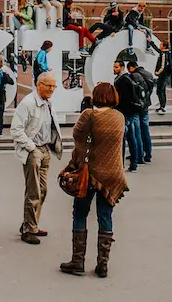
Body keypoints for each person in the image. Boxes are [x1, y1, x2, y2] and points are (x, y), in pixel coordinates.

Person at [59, 82, 128, 278]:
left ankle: (77, 261)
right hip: (113, 173)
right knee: (105, 216)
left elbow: (76, 135)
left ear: (95, 96)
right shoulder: (119, 117)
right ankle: (102, 264)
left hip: (88, 175)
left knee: (80, 213)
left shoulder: (90, 115)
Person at [11, 72, 63, 244]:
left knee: (43, 190)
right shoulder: (27, 103)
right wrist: (31, 147)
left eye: (54, 86)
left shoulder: (48, 103)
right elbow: (16, 129)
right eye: (49, 85)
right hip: (33, 150)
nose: (52, 89)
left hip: (45, 149)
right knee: (34, 191)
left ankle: (30, 224)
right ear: (39, 84)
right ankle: (29, 229)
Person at [113, 61, 142, 172]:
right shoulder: (127, 78)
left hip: (124, 113)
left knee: (124, 139)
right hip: (130, 112)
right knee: (131, 137)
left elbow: (123, 98)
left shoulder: (123, 80)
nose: (114, 68)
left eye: (116, 67)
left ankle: (122, 164)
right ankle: (134, 163)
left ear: (122, 67)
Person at [127, 60, 154, 164]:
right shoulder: (149, 74)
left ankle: (139, 154)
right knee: (145, 130)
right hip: (146, 105)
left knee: (137, 131)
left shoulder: (134, 76)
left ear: (131, 68)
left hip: (137, 106)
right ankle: (148, 153)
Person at [154, 43, 172, 113]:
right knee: (162, 90)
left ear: (164, 46)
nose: (159, 46)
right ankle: (162, 106)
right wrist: (151, 42)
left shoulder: (164, 54)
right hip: (165, 75)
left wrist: (157, 72)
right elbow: (157, 50)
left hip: (162, 75)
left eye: (161, 45)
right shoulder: (166, 53)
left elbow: (163, 66)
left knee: (160, 91)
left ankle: (162, 106)